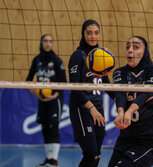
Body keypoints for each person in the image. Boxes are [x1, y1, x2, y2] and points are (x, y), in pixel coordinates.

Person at [108, 36, 153, 167]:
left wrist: (129, 112)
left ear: (144, 52)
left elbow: (145, 94)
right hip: (126, 138)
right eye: (128, 47)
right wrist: (120, 111)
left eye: (136, 47)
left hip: (149, 140)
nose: (130, 50)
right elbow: (120, 93)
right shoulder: (120, 72)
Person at [68, 19, 115, 167]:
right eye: (89, 33)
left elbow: (106, 85)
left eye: (96, 33)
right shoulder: (77, 56)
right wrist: (91, 109)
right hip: (82, 108)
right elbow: (75, 88)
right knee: (91, 153)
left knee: (97, 155)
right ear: (83, 34)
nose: (93, 36)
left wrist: (123, 102)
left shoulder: (100, 55)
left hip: (98, 108)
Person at [26, 34, 67, 167]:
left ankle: (54, 160)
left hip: (55, 100)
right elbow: (28, 79)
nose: (48, 43)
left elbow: (64, 83)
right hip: (42, 100)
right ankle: (48, 158)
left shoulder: (57, 61)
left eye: (50, 41)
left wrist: (55, 95)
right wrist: (31, 87)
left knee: (53, 127)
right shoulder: (37, 60)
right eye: (45, 41)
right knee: (44, 128)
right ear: (41, 43)